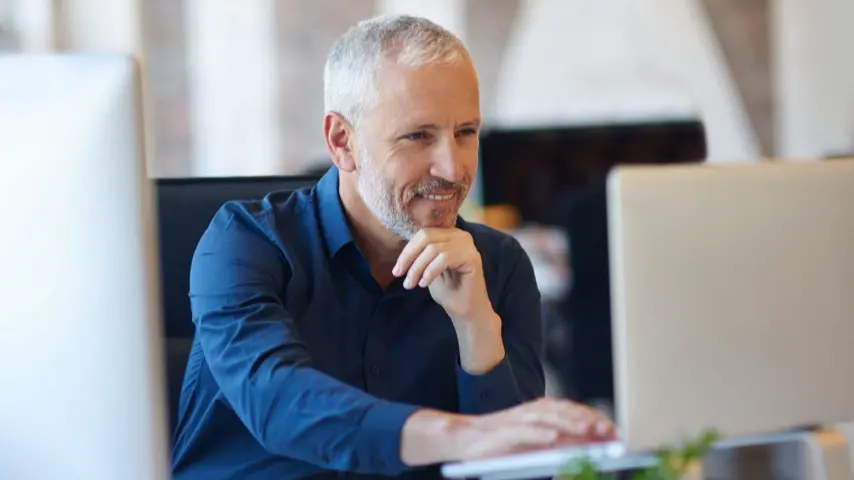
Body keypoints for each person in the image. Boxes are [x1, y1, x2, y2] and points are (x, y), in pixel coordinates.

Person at [171, 14, 615, 480]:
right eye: (418, 136)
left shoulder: (498, 265)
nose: (452, 169)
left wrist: (476, 325)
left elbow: (516, 469)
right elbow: (280, 402)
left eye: (465, 133)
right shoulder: (244, 243)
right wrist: (463, 436)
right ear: (342, 142)